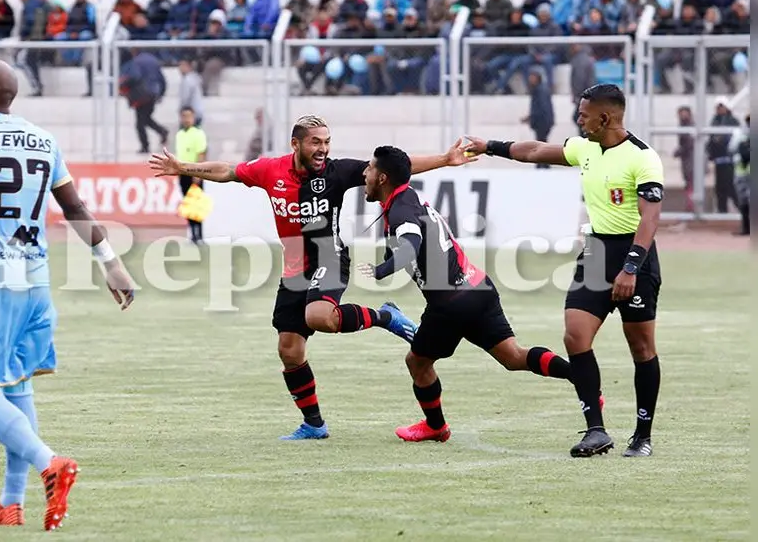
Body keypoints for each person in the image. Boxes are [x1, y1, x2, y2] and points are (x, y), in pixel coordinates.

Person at [148, 114, 474, 440]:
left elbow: (393, 169)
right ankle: (314, 424)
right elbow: (229, 171)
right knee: (289, 350)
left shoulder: (339, 171)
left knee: (318, 316)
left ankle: (384, 317)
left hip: (329, 256)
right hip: (293, 268)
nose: (323, 149)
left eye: (327, 142)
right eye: (316, 142)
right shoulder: (270, 171)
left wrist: (445, 159)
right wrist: (183, 167)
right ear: (296, 144)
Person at [0, 60, 136, 529]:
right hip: (36, 281)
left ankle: (50, 463)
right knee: (17, 387)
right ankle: (10, 503)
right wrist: (112, 263)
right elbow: (74, 206)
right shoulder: (44, 139)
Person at [464, 83, 665, 458]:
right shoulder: (585, 148)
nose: (578, 119)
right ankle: (596, 430)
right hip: (596, 252)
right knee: (575, 336)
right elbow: (536, 150)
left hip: (634, 258)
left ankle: (643, 435)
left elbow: (650, 219)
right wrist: (488, 145)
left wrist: (630, 268)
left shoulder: (644, 158)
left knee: (640, 346)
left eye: (583, 114)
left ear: (605, 117)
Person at [359, 145, 573, 443]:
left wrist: (382, 270)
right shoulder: (407, 197)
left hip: (451, 303)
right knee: (513, 357)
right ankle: (581, 378)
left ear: (382, 178)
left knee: (417, 363)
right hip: (479, 288)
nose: (364, 173)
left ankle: (436, 426)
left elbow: (409, 245)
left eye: (368, 169)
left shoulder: (401, 210)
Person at [174, 106, 207, 243]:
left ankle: (199, 234)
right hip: (183, 173)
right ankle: (192, 234)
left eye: (189, 116)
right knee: (188, 204)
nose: (186, 119)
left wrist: (198, 173)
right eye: (184, 116)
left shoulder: (198, 134)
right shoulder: (179, 134)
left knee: (197, 204)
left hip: (194, 172)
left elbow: (201, 154)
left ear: (193, 117)